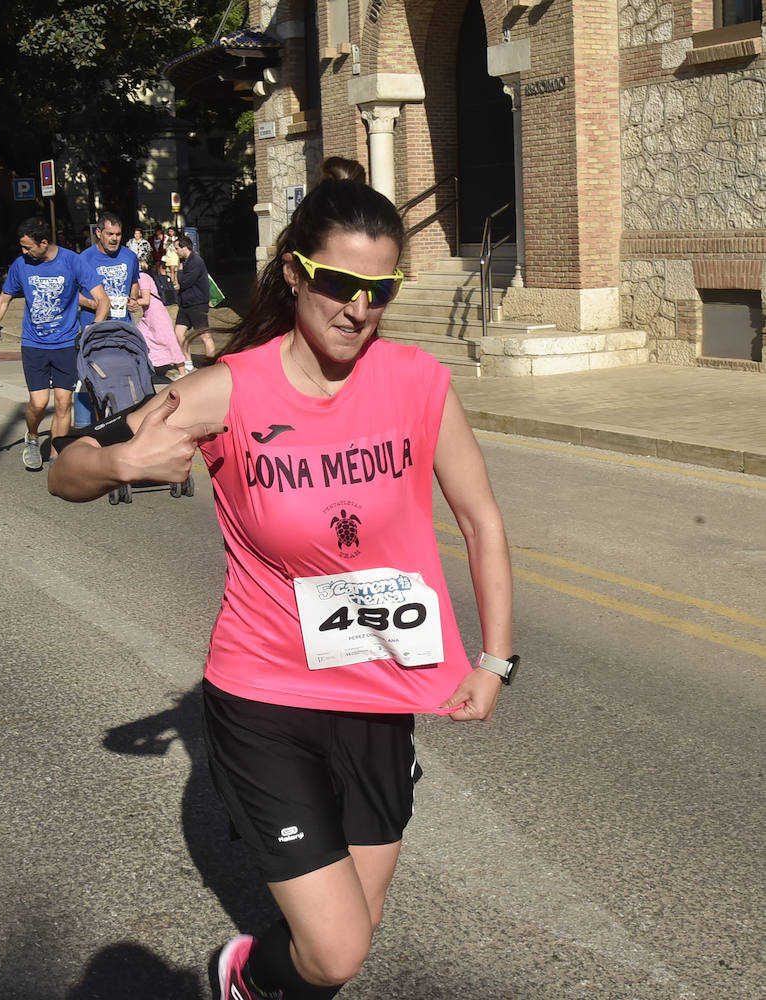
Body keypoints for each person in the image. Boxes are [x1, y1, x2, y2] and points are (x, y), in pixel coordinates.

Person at [48, 157, 515, 1000]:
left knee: (351, 939)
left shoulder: (416, 383)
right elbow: (64, 467)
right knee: (334, 951)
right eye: (339, 283)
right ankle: (245, 976)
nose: (359, 308)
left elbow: (482, 521)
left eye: (382, 289)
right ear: (297, 274)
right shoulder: (229, 390)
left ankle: (264, 982)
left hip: (379, 694)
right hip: (267, 696)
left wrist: (496, 662)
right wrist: (118, 458)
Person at [0, 217, 110, 471]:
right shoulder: (21, 265)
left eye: (27, 247)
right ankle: (33, 437)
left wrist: (92, 328)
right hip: (34, 344)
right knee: (37, 403)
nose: (24, 252)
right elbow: (3, 301)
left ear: (43, 242)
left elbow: (103, 300)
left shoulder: (72, 261)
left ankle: (57, 456)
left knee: (62, 403)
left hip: (66, 344)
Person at [79, 211, 141, 328]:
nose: (114, 238)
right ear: (98, 233)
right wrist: (96, 305)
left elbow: (134, 282)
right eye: (110, 234)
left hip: (124, 326)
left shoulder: (130, 256)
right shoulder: (84, 258)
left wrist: (133, 299)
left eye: (118, 234)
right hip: (94, 325)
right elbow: (72, 294)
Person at [132, 262, 186, 381]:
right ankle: (151, 366)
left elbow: (146, 300)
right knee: (140, 337)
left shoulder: (143, 277)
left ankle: (183, 372)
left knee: (168, 340)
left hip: (157, 314)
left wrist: (129, 302)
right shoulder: (137, 279)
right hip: (148, 315)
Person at [174, 235, 217, 374]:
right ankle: (188, 362)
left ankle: (211, 364)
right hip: (186, 304)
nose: (176, 251)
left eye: (177, 248)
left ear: (185, 247)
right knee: (178, 333)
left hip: (197, 304)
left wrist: (179, 272)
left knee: (204, 335)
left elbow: (185, 282)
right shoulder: (186, 261)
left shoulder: (196, 261)